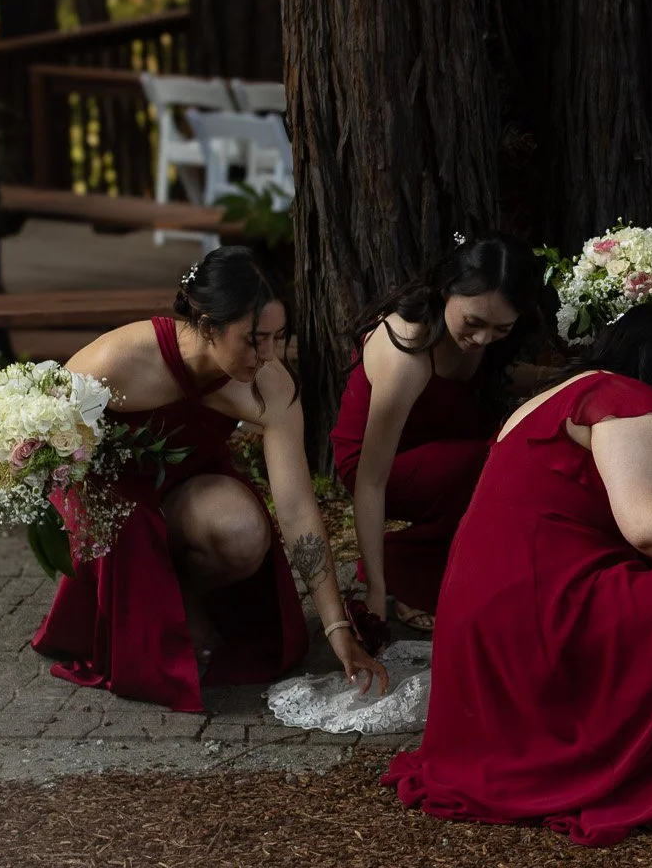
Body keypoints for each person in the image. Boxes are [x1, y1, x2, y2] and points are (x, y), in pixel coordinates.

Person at [382, 305, 652, 846]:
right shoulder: (627, 402)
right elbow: (646, 528)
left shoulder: (557, 396)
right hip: (542, 606)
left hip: (486, 608)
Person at [32, 247, 387, 712]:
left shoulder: (272, 386)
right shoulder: (118, 361)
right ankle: (154, 616)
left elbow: (298, 507)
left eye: (279, 338)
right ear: (206, 326)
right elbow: (42, 444)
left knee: (243, 531)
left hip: (188, 484)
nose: (268, 355)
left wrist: (337, 628)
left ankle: (183, 597)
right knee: (131, 528)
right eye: (254, 340)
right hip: (113, 498)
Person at [331, 232, 544, 634]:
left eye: (501, 329)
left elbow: (496, 377)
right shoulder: (407, 353)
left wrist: (560, 379)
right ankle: (401, 572)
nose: (482, 339)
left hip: (443, 442)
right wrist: (376, 591)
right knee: (497, 461)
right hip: (378, 463)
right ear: (446, 290)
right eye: (474, 323)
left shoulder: (483, 334)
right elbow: (370, 481)